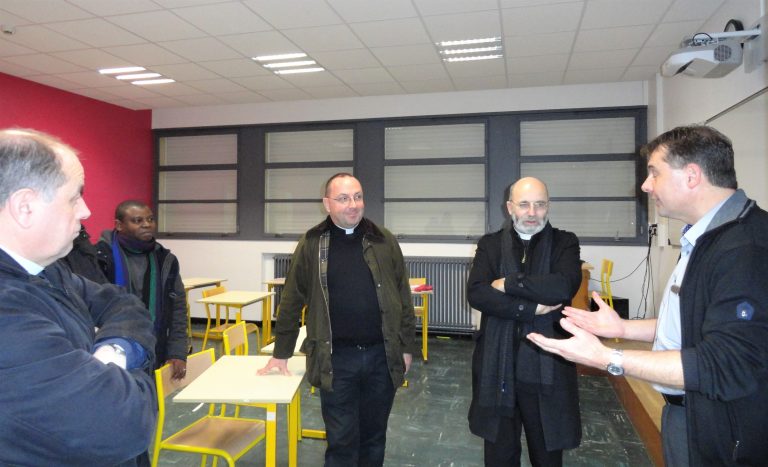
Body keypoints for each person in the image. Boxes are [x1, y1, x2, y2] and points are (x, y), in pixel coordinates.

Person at [527, 125, 768, 466]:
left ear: (692, 176)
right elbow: (695, 322)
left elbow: (725, 363)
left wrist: (607, 357)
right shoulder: (707, 237)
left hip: (727, 431)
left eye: (654, 173)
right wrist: (623, 329)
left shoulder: (745, 248)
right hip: (689, 414)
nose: (645, 185)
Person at [0, 128, 157, 466]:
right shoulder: (7, 313)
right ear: (25, 207)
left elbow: (123, 303)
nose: (85, 211)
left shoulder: (47, 270)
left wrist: (113, 352)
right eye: (74, 198)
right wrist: (133, 366)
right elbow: (124, 423)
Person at [259, 172, 416, 467]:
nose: (353, 204)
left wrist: (407, 346)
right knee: (341, 440)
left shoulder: (384, 240)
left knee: (374, 437)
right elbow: (291, 299)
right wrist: (281, 352)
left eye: (357, 197)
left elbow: (402, 297)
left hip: (381, 356)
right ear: (327, 203)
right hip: (336, 359)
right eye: (343, 198)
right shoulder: (312, 243)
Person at [467, 176, 582, 467]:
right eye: (524, 204)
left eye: (540, 205)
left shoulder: (565, 243)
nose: (532, 212)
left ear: (548, 206)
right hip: (498, 367)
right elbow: (477, 293)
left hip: (547, 368)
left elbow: (562, 287)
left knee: (547, 457)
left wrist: (507, 283)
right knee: (500, 456)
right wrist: (530, 308)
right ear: (510, 207)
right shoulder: (490, 245)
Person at [96, 200, 188, 379]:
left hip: (154, 347)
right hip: (110, 350)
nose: (147, 224)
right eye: (137, 220)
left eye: (150, 219)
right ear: (119, 225)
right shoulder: (100, 258)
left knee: (149, 395)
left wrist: (177, 351)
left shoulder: (165, 259)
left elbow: (178, 308)